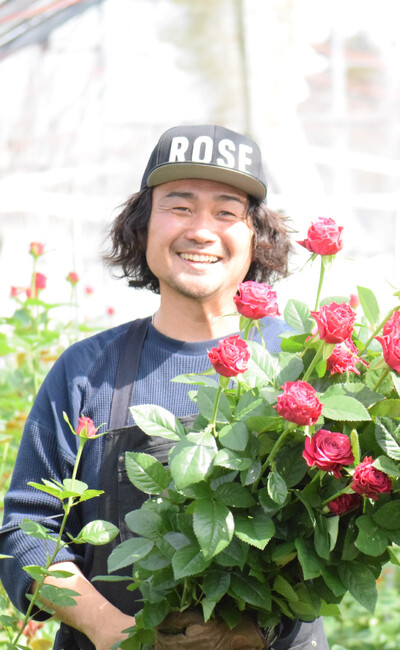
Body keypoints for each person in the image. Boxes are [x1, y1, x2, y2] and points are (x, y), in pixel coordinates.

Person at [0, 124, 330, 650]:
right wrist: (111, 629)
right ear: (142, 226)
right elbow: (28, 530)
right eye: (180, 207)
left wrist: (257, 628)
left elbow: (342, 524)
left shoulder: (306, 363)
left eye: (226, 212)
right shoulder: (87, 371)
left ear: (256, 236)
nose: (201, 230)